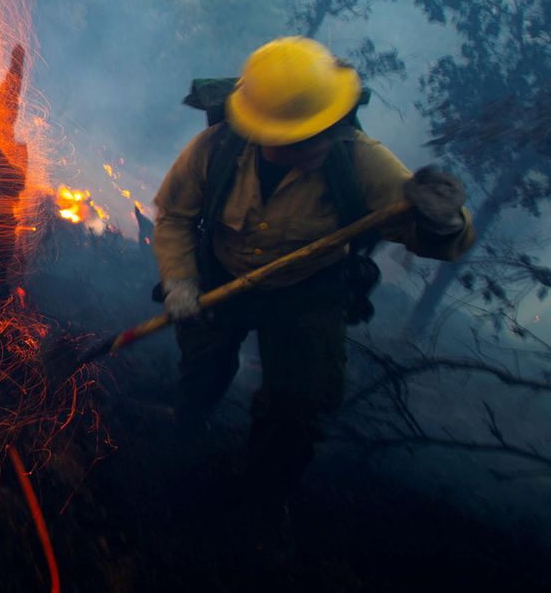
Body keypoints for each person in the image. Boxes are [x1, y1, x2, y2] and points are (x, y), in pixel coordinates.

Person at [151, 37, 475, 542]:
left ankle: (263, 498)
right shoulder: (217, 151)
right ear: (258, 133)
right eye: (302, 139)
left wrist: (444, 223)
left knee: (297, 405)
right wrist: (180, 282)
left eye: (328, 130)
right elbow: (174, 215)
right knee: (203, 366)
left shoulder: (360, 161)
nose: (321, 143)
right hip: (223, 276)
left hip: (308, 289)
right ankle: (187, 435)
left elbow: (433, 237)